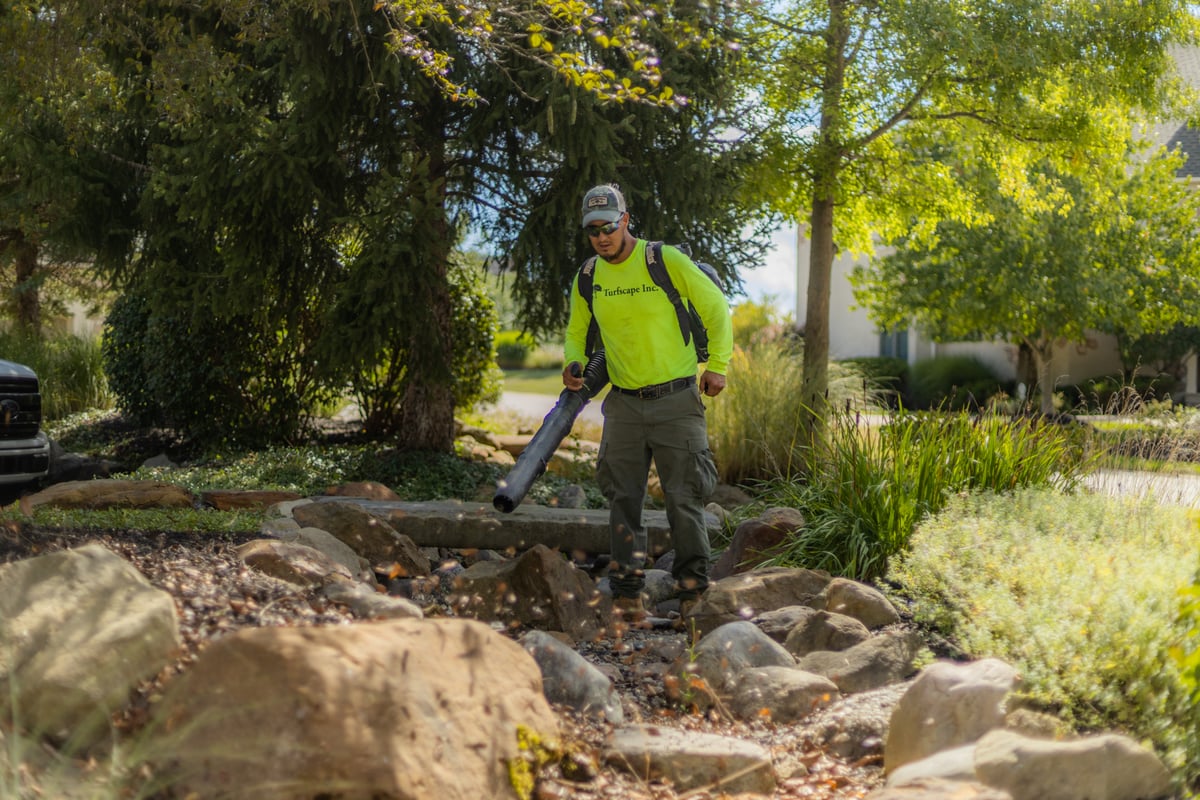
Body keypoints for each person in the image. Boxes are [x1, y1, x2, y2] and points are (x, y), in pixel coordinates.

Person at [562, 183, 732, 625]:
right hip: (623, 406)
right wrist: (573, 362)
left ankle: (693, 595)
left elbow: (716, 309)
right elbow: (577, 331)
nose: (601, 236)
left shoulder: (664, 260)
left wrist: (718, 365)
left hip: (677, 401)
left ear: (626, 220)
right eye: (592, 230)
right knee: (622, 500)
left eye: (608, 226)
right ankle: (628, 597)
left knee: (684, 500)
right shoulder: (587, 276)